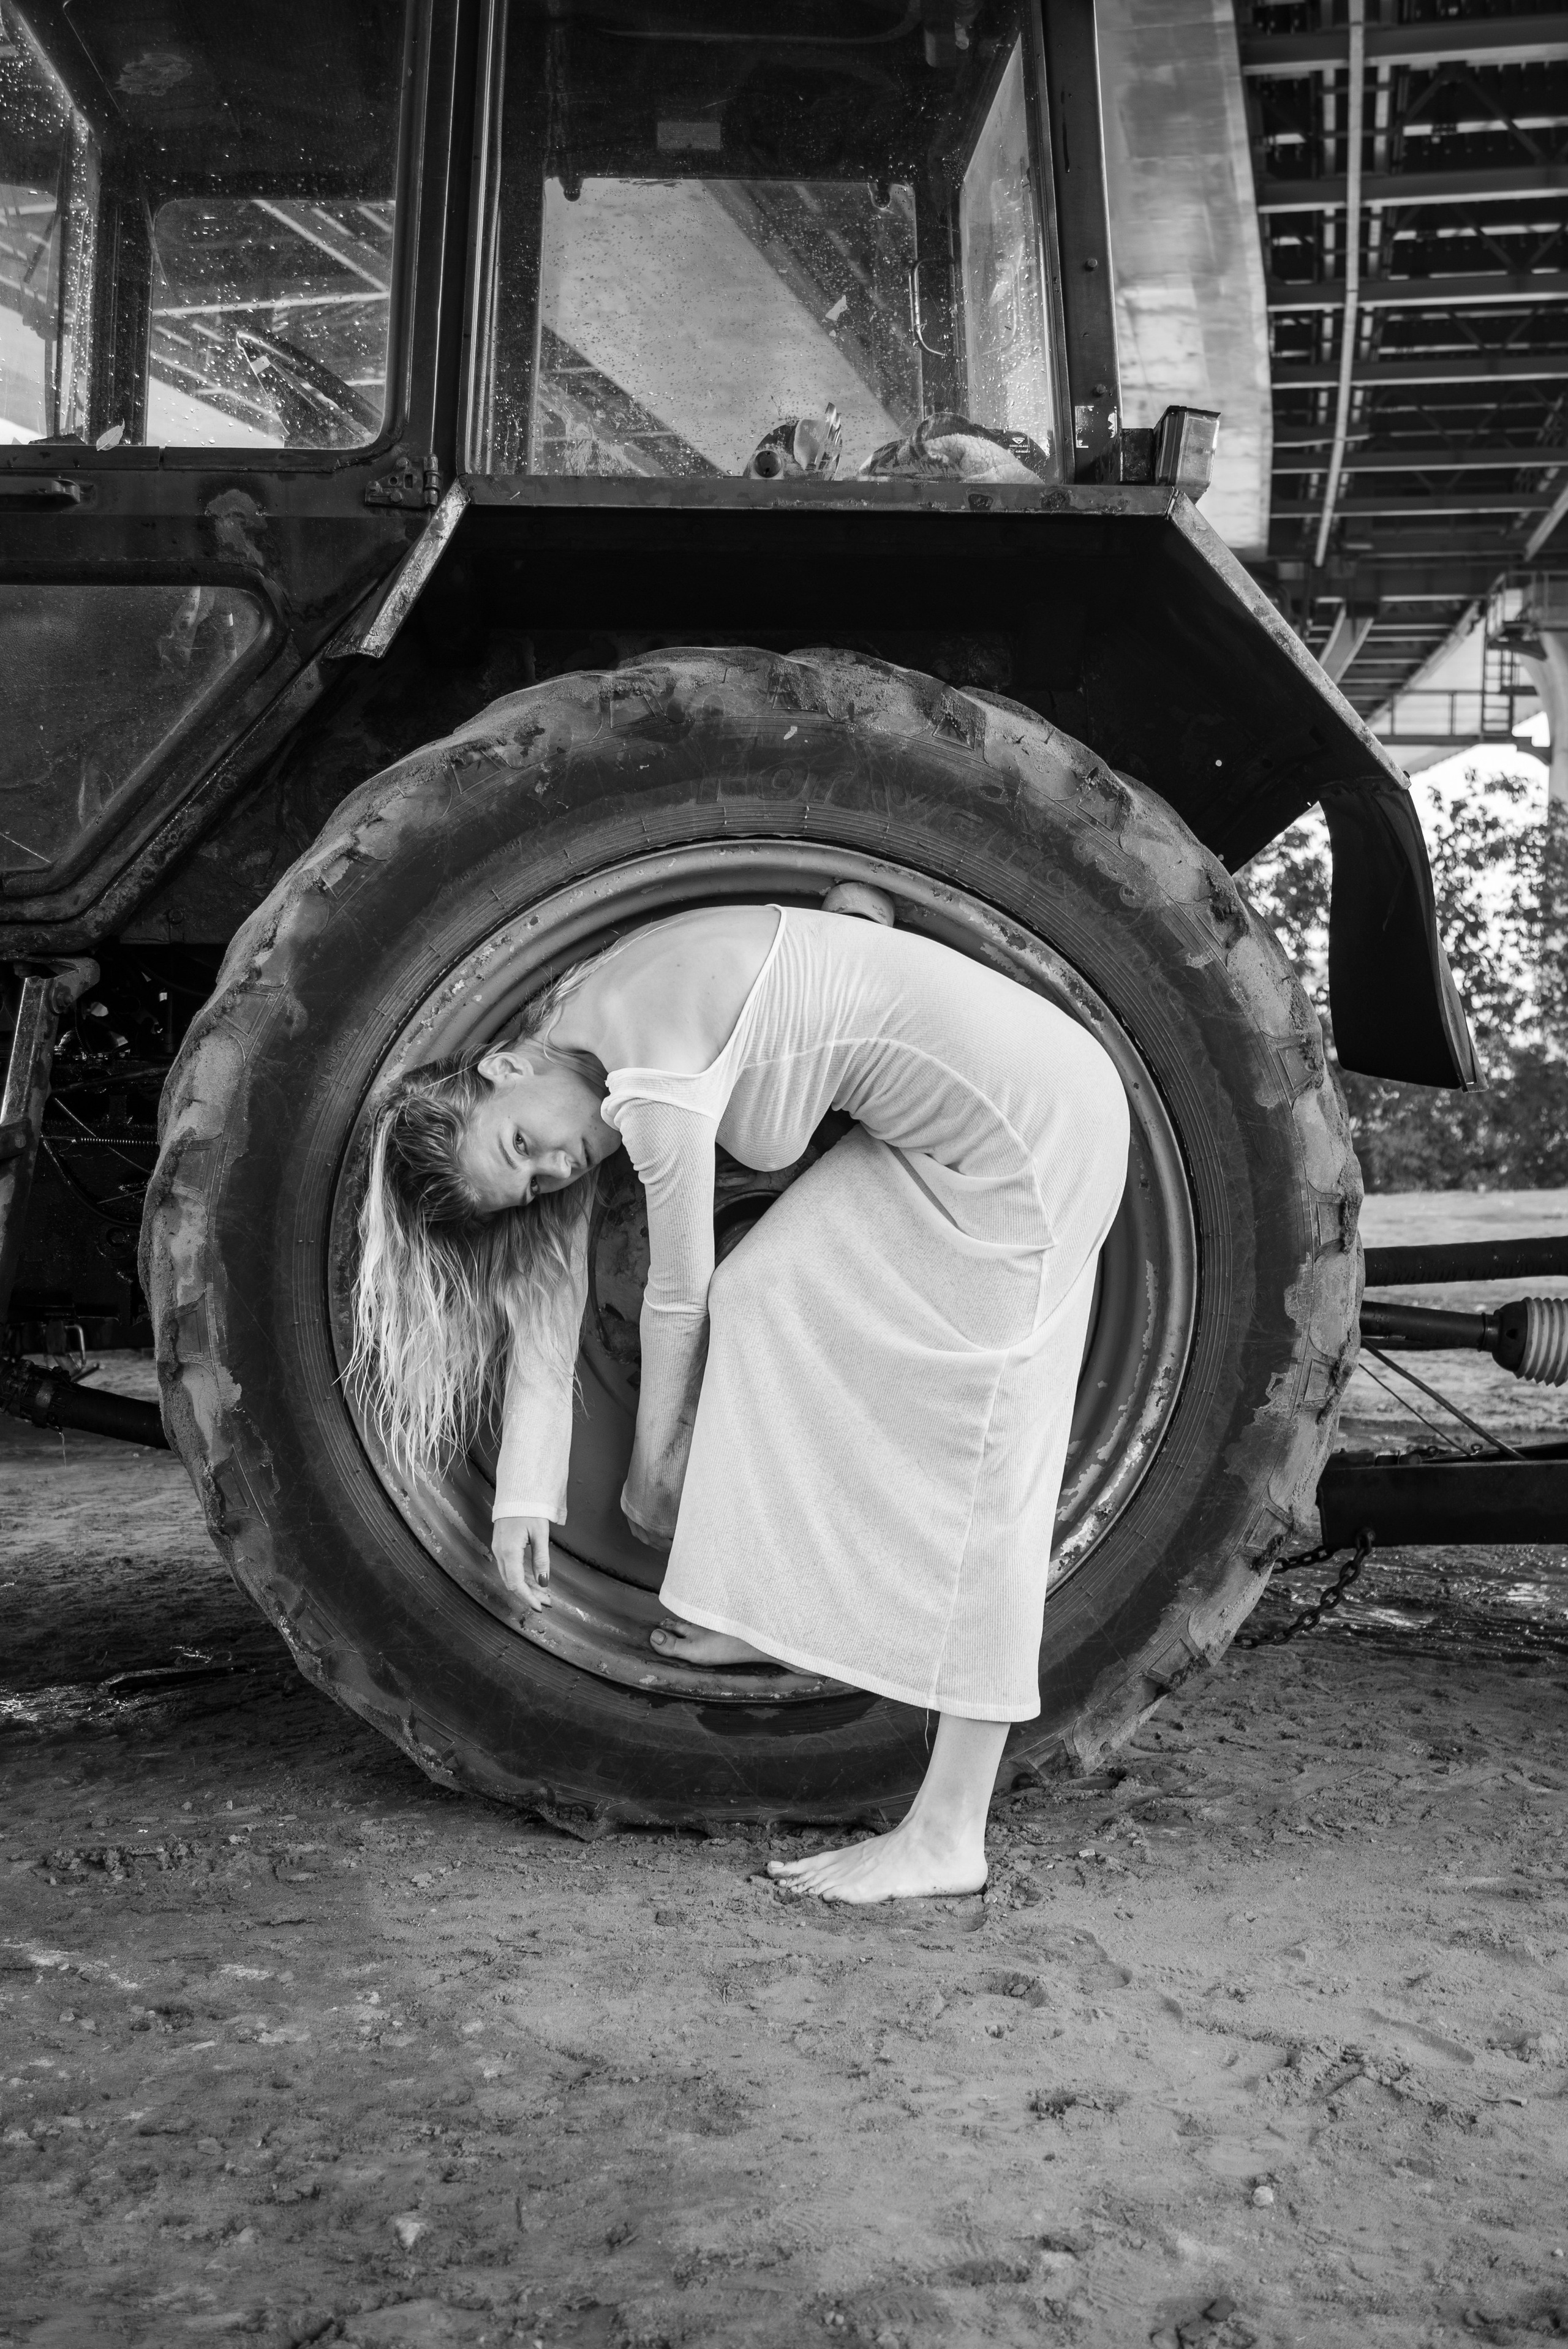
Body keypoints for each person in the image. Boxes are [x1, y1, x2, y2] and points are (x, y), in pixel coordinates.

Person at [352, 898, 1129, 1903]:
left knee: (984, 1451)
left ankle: (948, 1833)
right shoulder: (582, 1017)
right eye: (532, 1182)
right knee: (768, 1294)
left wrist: (650, 1480)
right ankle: (760, 1606)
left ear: (501, 1071)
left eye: (516, 1148)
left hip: (1035, 1136)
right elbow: (555, 1291)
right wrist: (521, 1499)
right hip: (960, 1125)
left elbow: (677, 1293)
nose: (551, 1171)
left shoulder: (650, 1077)